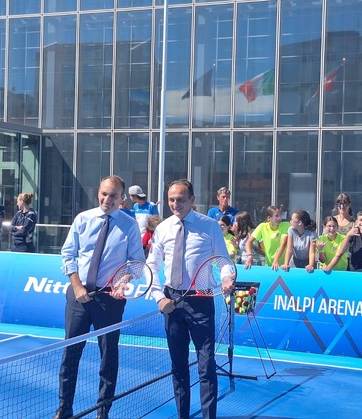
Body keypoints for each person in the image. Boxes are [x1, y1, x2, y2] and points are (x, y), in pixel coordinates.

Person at [56, 175, 144, 419]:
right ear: (99, 193)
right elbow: (68, 255)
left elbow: (137, 264)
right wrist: (77, 287)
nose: (107, 199)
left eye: (113, 195)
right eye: (104, 194)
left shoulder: (129, 225)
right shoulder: (83, 219)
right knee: (70, 356)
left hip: (110, 300)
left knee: (108, 358)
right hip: (78, 298)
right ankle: (64, 409)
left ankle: (103, 411)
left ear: (122, 198)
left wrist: (123, 281)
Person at [146, 179, 233, 419]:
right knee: (179, 368)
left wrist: (227, 278)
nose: (176, 204)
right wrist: (158, 298)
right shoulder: (163, 228)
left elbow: (223, 260)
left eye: (181, 199)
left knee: (206, 367)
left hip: (201, 302)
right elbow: (151, 265)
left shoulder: (209, 226)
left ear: (192, 201)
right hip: (171, 303)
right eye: (172, 199)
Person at [327, 209, 362, 277]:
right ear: (356, 221)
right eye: (361, 220)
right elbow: (340, 252)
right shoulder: (353, 232)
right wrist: (348, 235)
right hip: (353, 271)